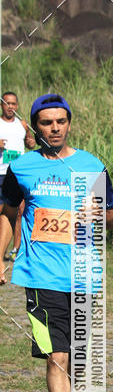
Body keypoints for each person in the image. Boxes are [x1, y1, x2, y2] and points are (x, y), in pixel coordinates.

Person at [0, 94, 113, 392]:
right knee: (57, 354)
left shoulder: (92, 165)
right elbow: (7, 214)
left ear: (69, 123)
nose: (54, 128)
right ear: (36, 126)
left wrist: (98, 212)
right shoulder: (22, 168)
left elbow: (112, 216)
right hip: (40, 275)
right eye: (47, 122)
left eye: (60, 122)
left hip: (84, 274)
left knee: (76, 361)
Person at [0, 92, 35, 273]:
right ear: (1, 105)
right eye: (7, 103)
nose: (10, 106)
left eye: (13, 103)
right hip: (0, 173)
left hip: (19, 174)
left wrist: (29, 136)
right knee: (4, 213)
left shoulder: (22, 125)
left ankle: (15, 249)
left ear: (17, 106)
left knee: (20, 211)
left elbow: (31, 144)